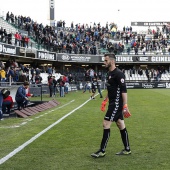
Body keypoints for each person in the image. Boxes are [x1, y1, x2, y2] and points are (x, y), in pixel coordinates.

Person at [91, 53, 131, 158]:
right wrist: (105, 99)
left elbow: (124, 90)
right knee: (120, 124)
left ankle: (102, 151)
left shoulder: (119, 74)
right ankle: (127, 149)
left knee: (105, 123)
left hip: (117, 104)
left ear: (112, 61)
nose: (104, 62)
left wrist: (125, 106)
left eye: (106, 60)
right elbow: (111, 88)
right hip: (112, 102)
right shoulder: (109, 73)